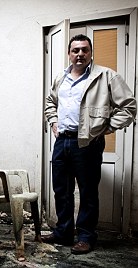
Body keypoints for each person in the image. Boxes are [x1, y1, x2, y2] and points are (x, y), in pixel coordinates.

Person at [43, 34, 137, 255]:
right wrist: (54, 121)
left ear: (91, 52)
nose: (80, 54)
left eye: (84, 50)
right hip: (62, 141)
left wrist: (107, 128)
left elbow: (129, 107)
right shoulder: (60, 78)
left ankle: (85, 236)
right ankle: (64, 232)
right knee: (61, 190)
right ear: (69, 53)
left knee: (87, 193)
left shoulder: (106, 77)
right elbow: (50, 102)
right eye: (75, 50)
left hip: (88, 143)